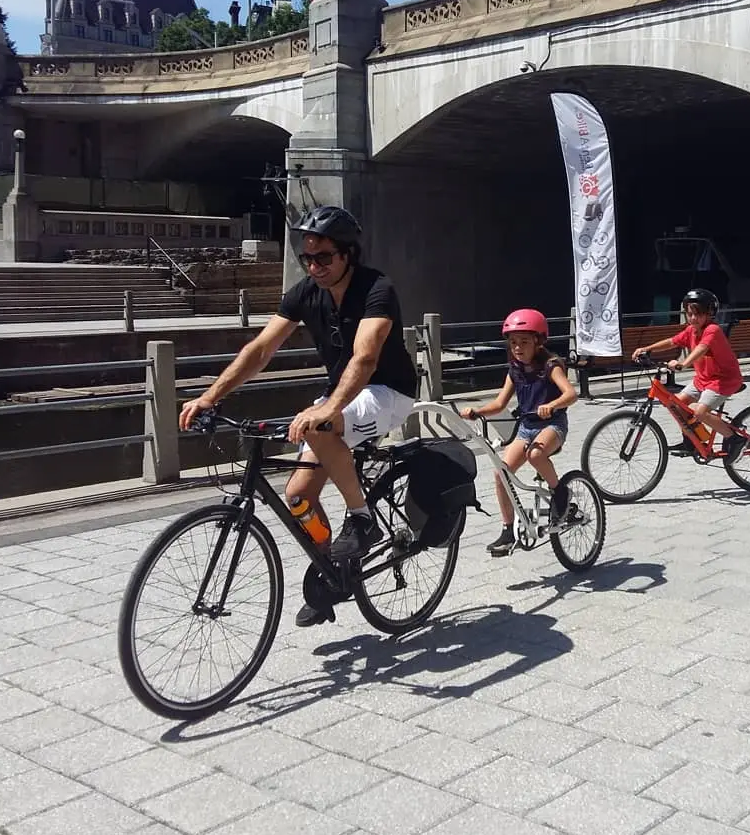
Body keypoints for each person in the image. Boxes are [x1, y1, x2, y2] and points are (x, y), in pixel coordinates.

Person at [178, 205, 417, 624]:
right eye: (307, 258)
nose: (314, 266)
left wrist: (327, 408)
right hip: (343, 395)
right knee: (298, 498)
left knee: (322, 424)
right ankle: (332, 572)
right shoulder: (306, 292)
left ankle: (363, 519)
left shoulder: (377, 288)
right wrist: (209, 397)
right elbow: (260, 349)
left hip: (387, 391)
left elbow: (364, 358)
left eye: (323, 257)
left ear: (347, 254)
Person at [461, 309, 577, 557]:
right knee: (501, 473)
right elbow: (500, 403)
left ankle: (560, 492)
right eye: (513, 342)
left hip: (552, 426)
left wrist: (552, 405)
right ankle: (508, 530)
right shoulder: (514, 369)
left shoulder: (551, 365)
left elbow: (571, 394)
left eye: (524, 341)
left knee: (536, 455)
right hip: (526, 428)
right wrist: (477, 411)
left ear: (539, 341)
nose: (517, 347)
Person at [631, 288, 746, 459]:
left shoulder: (712, 330)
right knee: (676, 404)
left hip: (723, 380)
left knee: (700, 412)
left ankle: (735, 439)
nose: (693, 318)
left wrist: (683, 364)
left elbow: (701, 349)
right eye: (689, 314)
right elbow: (672, 341)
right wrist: (647, 349)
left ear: (709, 313)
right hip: (702, 380)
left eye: (698, 314)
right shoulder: (691, 330)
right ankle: (692, 441)